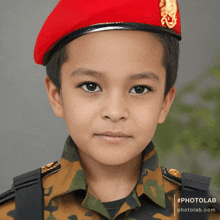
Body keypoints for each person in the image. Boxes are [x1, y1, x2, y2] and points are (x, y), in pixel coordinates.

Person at [0, 0, 219, 219]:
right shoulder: (16, 212)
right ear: (57, 97)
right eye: (91, 86)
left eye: (139, 89)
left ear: (164, 103)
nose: (115, 112)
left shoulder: (198, 211)